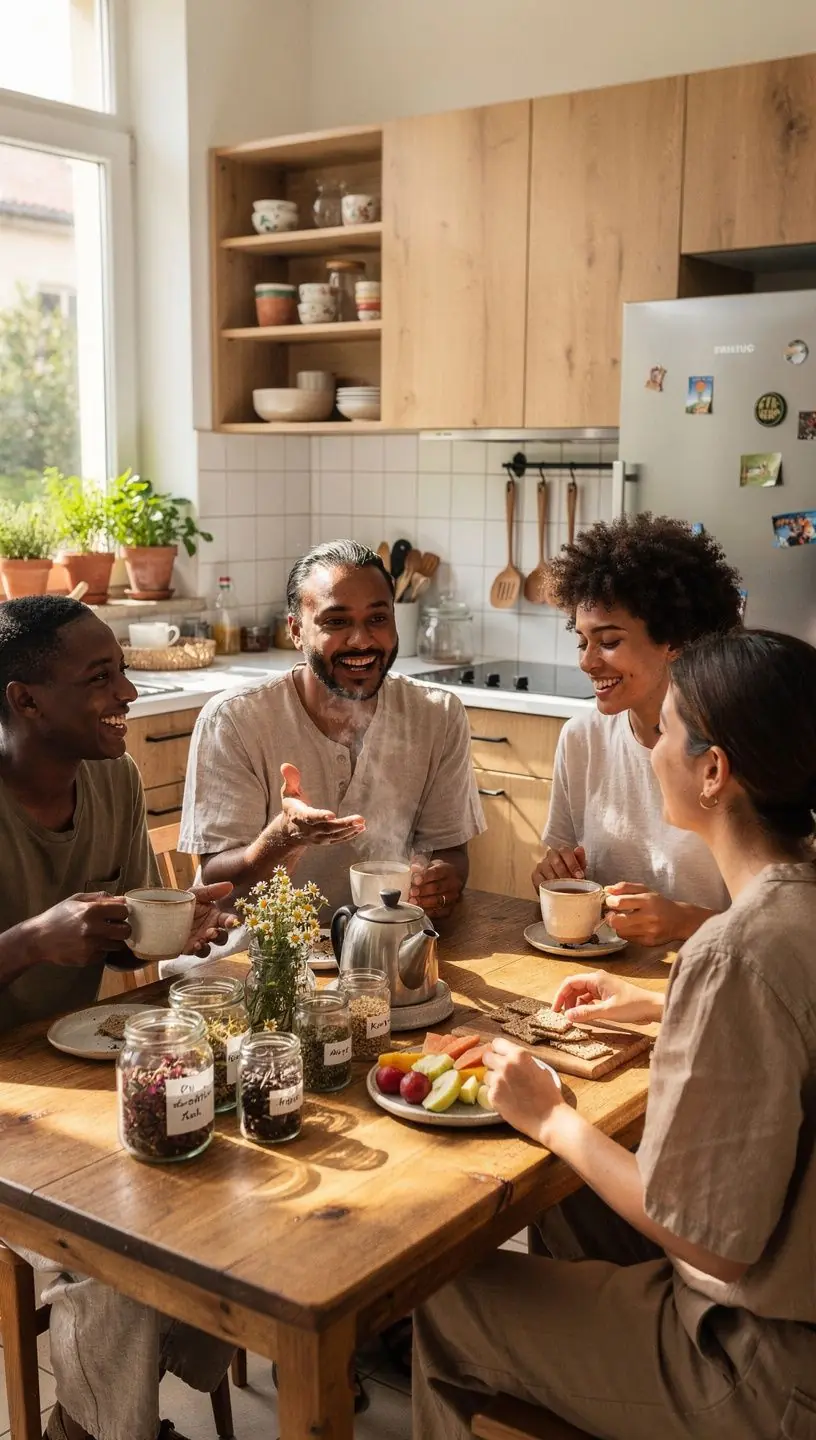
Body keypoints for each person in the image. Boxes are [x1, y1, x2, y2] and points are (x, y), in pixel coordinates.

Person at [413, 628, 816, 1439]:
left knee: (447, 1296)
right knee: (571, 1205)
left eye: (665, 730)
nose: (650, 748)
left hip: (757, 1366)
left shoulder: (736, 951)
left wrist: (550, 1117)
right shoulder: (792, 904)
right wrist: (663, 1009)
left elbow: (712, 1248)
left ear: (714, 771)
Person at [0, 596, 238, 1440]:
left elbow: (120, 948)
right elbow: (48, 944)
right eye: (101, 678)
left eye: (123, 673)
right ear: (26, 700)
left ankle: (100, 1417)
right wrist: (30, 942)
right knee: (117, 1243)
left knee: (231, 1180)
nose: (128, 694)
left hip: (71, 1077)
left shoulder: (113, 776)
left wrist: (176, 927)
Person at [180, 540, 485, 918]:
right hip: (257, 949)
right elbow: (218, 889)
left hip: (383, 943)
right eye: (336, 622)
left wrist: (441, 882)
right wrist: (283, 837)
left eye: (378, 618)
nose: (361, 640)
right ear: (296, 631)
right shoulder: (232, 720)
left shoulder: (437, 715)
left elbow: (451, 852)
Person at [532, 513, 743, 944]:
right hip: (606, 970)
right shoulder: (581, 739)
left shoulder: (736, 748)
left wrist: (683, 921)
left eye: (609, 642)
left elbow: (785, 923)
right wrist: (551, 877)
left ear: (675, 640)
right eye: (582, 641)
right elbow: (562, 875)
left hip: (712, 971)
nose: (587, 662)